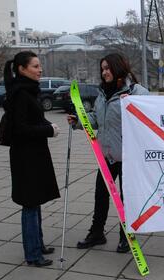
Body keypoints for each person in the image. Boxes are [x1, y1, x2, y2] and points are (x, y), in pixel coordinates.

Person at [68, 53, 149, 253]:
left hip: (129, 157)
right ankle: (97, 233)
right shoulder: (103, 94)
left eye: (107, 68)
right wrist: (79, 121)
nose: (104, 72)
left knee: (126, 197)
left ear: (118, 67)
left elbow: (150, 117)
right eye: (102, 69)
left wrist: (133, 105)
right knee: (101, 195)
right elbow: (96, 118)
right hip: (108, 155)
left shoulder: (137, 92)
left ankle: (126, 236)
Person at [3, 51, 61, 266]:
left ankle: (38, 244)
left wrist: (46, 127)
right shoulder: (20, 94)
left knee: (34, 202)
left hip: (33, 155)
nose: (40, 70)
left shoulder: (27, 90)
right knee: (29, 204)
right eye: (35, 66)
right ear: (22, 69)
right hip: (25, 157)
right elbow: (21, 128)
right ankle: (33, 254)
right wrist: (48, 130)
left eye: (40, 66)